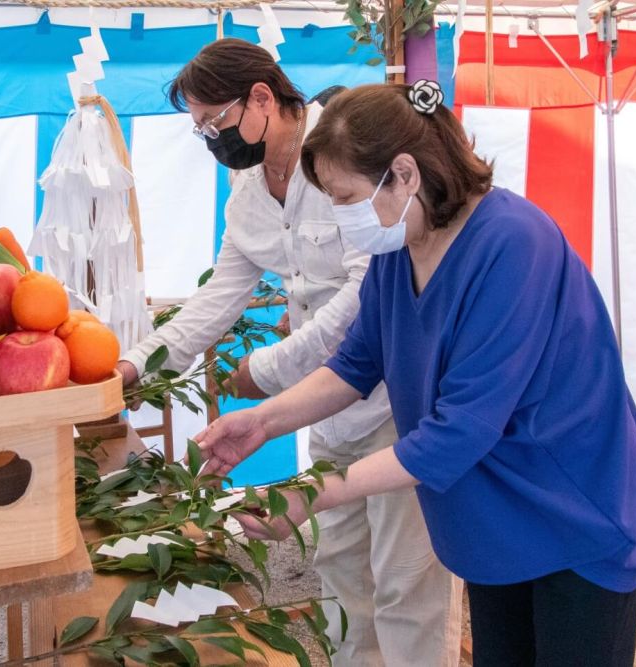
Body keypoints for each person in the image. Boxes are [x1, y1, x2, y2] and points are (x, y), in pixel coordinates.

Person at [195, 80, 636, 666]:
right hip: (492, 516)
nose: (343, 219)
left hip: (570, 509)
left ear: (403, 174)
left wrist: (310, 494)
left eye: (345, 198)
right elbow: (356, 363)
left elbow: (457, 432)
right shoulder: (400, 249)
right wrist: (263, 422)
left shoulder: (513, 244)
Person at [117, 40, 461, 666]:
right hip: (325, 408)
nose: (211, 138)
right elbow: (218, 297)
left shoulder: (347, 159)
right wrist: (137, 364)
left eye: (214, 121)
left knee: (407, 576)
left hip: (392, 398)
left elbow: (362, 305)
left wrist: (268, 372)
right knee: (342, 570)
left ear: (262, 98)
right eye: (199, 130)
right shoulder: (247, 194)